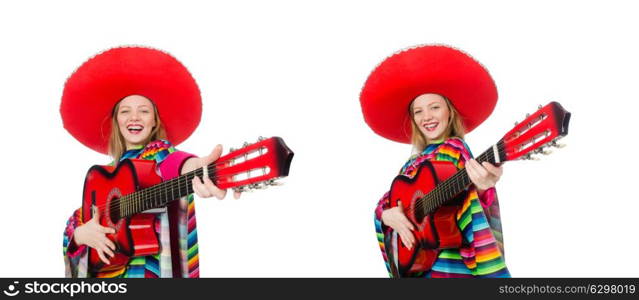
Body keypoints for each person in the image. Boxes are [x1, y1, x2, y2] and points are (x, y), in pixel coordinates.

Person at [61, 46, 239, 278]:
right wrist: (81, 235)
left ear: (155, 121)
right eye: (125, 111)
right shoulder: (102, 180)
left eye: (144, 111)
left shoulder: (159, 154)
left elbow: (175, 164)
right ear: (116, 121)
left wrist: (201, 169)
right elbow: (78, 222)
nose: (134, 117)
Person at [360, 45, 510, 278]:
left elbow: (469, 203)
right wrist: (386, 216)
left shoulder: (455, 150)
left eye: (435, 107)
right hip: (418, 267)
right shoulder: (411, 165)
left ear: (449, 112)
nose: (426, 116)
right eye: (418, 111)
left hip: (449, 269)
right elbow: (386, 203)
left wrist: (483, 187)